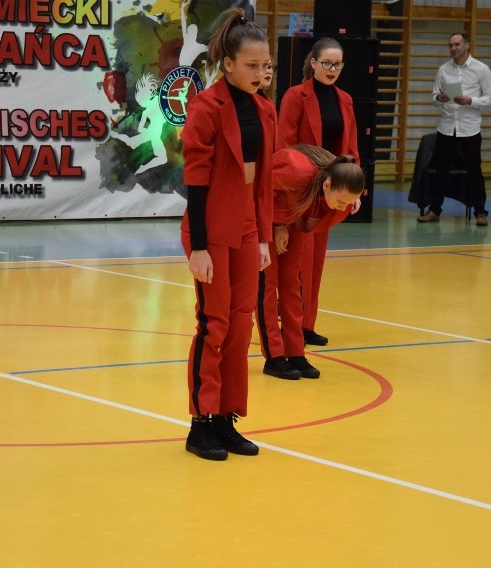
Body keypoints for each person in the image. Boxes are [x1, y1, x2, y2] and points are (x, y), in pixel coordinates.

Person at [180, 8, 275, 459]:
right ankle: (201, 422)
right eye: (252, 66)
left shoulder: (264, 109)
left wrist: (261, 237)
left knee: (241, 325)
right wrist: (199, 246)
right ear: (229, 64)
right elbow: (195, 182)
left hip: (246, 226)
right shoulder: (205, 107)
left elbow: (264, 181)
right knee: (213, 325)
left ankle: (226, 418)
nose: (261, 73)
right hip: (212, 227)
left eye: (266, 65)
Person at [277, 37, 360, 348]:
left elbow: (350, 148)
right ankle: (291, 325)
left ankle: (307, 324)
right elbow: (284, 147)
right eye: (326, 63)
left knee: (316, 262)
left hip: (331, 192)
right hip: (302, 190)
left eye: (337, 64)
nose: (332, 69)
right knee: (297, 262)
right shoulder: (295, 96)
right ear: (313, 63)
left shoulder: (346, 100)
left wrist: (354, 188)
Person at [256, 145, 364, 380]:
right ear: (327, 185)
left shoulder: (331, 182)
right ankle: (274, 357)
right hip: (264, 221)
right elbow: (258, 192)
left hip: (293, 218)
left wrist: (348, 200)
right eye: (341, 201)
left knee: (292, 283)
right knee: (267, 284)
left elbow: (318, 210)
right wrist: (275, 226)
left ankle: (295, 352)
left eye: (349, 203)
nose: (343, 207)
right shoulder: (295, 170)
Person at [418, 32, 491, 226]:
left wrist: (472, 100)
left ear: (467, 45)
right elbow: (434, 96)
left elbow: (490, 99)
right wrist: (439, 98)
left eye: (457, 44)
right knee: (441, 171)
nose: (453, 48)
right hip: (446, 127)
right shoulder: (444, 69)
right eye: (451, 45)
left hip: (470, 128)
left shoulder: (481, 69)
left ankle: (480, 212)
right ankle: (434, 210)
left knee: (474, 171)